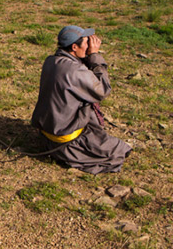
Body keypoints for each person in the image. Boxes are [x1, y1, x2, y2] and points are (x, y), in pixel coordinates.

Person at [31, 25, 132, 174]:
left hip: (47, 135)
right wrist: (94, 56)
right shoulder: (74, 70)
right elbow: (103, 90)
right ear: (74, 47)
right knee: (119, 150)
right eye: (86, 42)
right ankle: (74, 153)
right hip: (66, 142)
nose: (90, 45)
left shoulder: (51, 61)